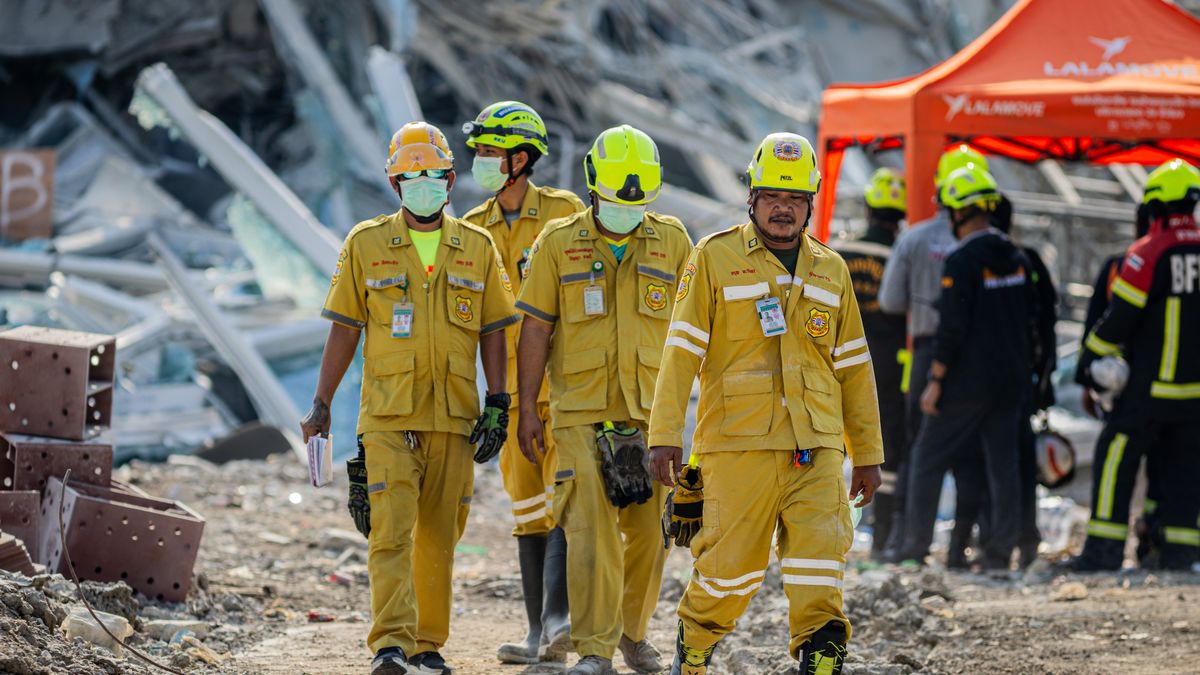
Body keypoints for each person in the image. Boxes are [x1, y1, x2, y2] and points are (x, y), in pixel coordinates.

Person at [648, 132, 884, 675]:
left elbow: (854, 366)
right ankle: (696, 648)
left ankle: (821, 664)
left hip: (817, 448)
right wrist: (665, 436)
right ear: (751, 198)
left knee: (819, 571)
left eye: (796, 198)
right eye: (773, 196)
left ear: (811, 202)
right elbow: (680, 352)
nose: (784, 208)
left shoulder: (832, 270)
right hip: (737, 446)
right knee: (730, 572)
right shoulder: (714, 256)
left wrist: (866, 451)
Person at [300, 121, 518, 675]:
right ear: (396, 185)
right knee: (390, 532)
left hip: (454, 417)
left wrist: (499, 401)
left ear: (450, 180)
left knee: (441, 539)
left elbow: (495, 329)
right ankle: (390, 644)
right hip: (388, 415)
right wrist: (322, 403)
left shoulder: (477, 246)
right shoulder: (366, 244)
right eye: (411, 176)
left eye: (434, 175)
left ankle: (427, 644)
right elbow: (345, 328)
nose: (424, 184)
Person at [515, 125, 693, 675]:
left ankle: (633, 634)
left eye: (636, 204)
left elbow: (695, 333)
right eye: (616, 202)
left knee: (650, 534)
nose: (626, 211)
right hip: (578, 412)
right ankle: (595, 649)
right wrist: (526, 409)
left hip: (649, 415)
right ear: (593, 187)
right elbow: (535, 331)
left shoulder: (673, 241)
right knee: (589, 531)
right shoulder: (557, 242)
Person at [460, 100, 585, 665]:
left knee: (565, 499)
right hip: (506, 395)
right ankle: (539, 634)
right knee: (528, 508)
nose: (481, 162)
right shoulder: (469, 229)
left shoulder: (565, 214)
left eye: (490, 152)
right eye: (479, 152)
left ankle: (561, 621)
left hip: (561, 388)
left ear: (521, 158)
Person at [896, 164, 1036, 573]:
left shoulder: (962, 260)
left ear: (958, 212)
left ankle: (913, 547)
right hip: (1011, 382)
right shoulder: (1016, 256)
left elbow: (952, 328)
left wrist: (935, 380)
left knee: (926, 456)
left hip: (966, 384)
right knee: (1003, 466)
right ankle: (999, 555)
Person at [1071, 158, 1200, 571]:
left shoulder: (1150, 250)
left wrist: (1090, 357)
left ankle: (1103, 553)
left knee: (1114, 460)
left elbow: (1120, 319)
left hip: (1147, 391)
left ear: (1156, 205)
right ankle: (1178, 555)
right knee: (1184, 473)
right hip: (1193, 397)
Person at [878, 145, 988, 565]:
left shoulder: (915, 238)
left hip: (927, 353)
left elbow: (890, 301)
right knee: (971, 454)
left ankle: (908, 542)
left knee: (920, 451)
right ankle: (962, 547)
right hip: (978, 360)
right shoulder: (993, 244)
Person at [831, 167, 908, 562]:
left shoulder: (841, 251)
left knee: (830, 445)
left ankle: (827, 532)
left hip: (837, 359)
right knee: (887, 450)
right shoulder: (902, 252)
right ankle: (884, 537)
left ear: (868, 207)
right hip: (889, 364)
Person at [991, 195, 1057, 567]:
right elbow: (1047, 324)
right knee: (1022, 462)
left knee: (996, 464)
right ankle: (1024, 538)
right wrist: (1044, 378)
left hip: (992, 385)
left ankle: (999, 545)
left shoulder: (978, 259)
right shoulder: (1028, 261)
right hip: (1024, 379)